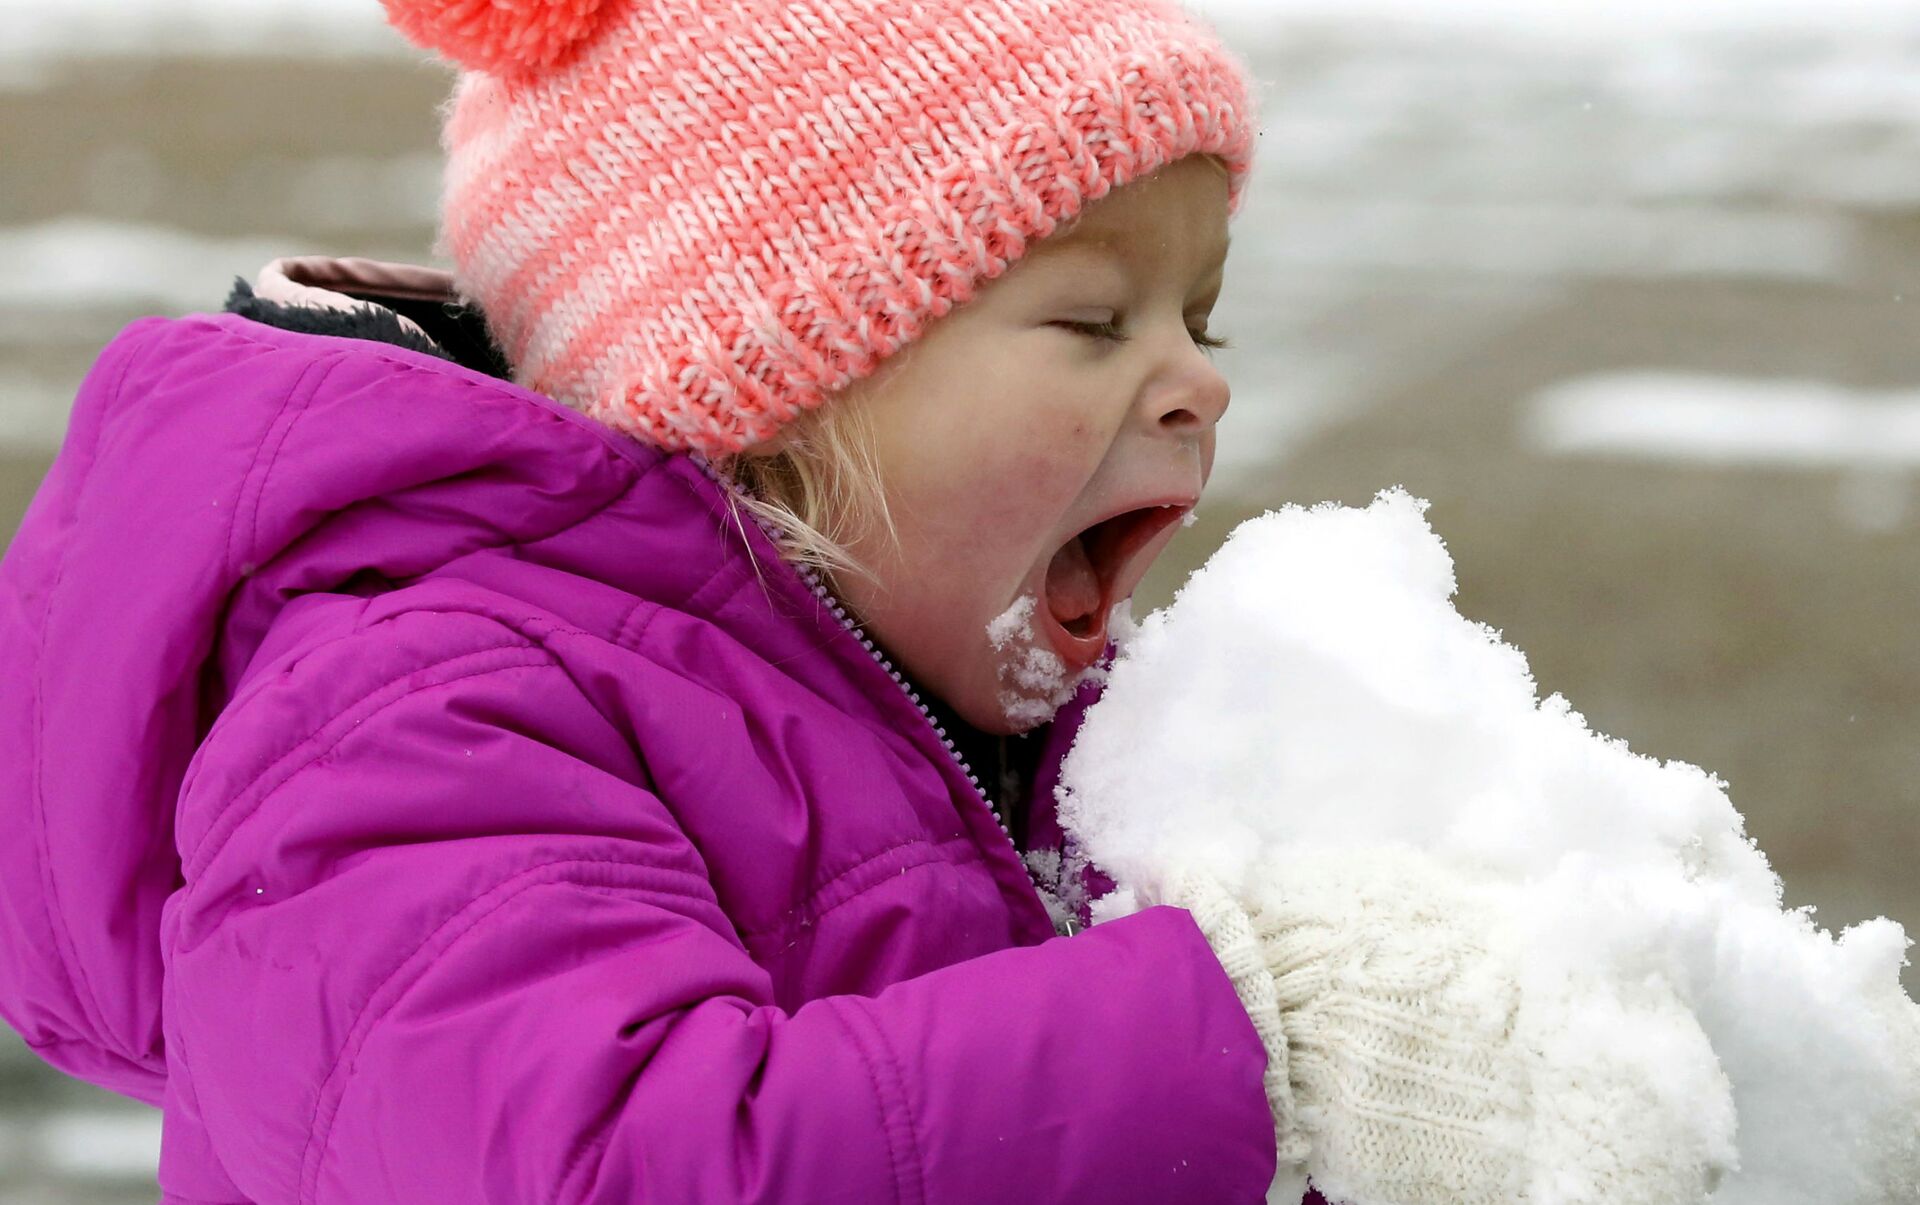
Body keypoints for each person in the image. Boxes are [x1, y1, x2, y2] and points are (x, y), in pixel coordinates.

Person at [0, 0, 1303, 1200]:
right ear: (775, 388)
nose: (1200, 383)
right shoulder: (420, 720)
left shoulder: (1050, 724)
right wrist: (1252, 1038)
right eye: (1093, 320)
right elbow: (604, 1164)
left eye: (1201, 322)